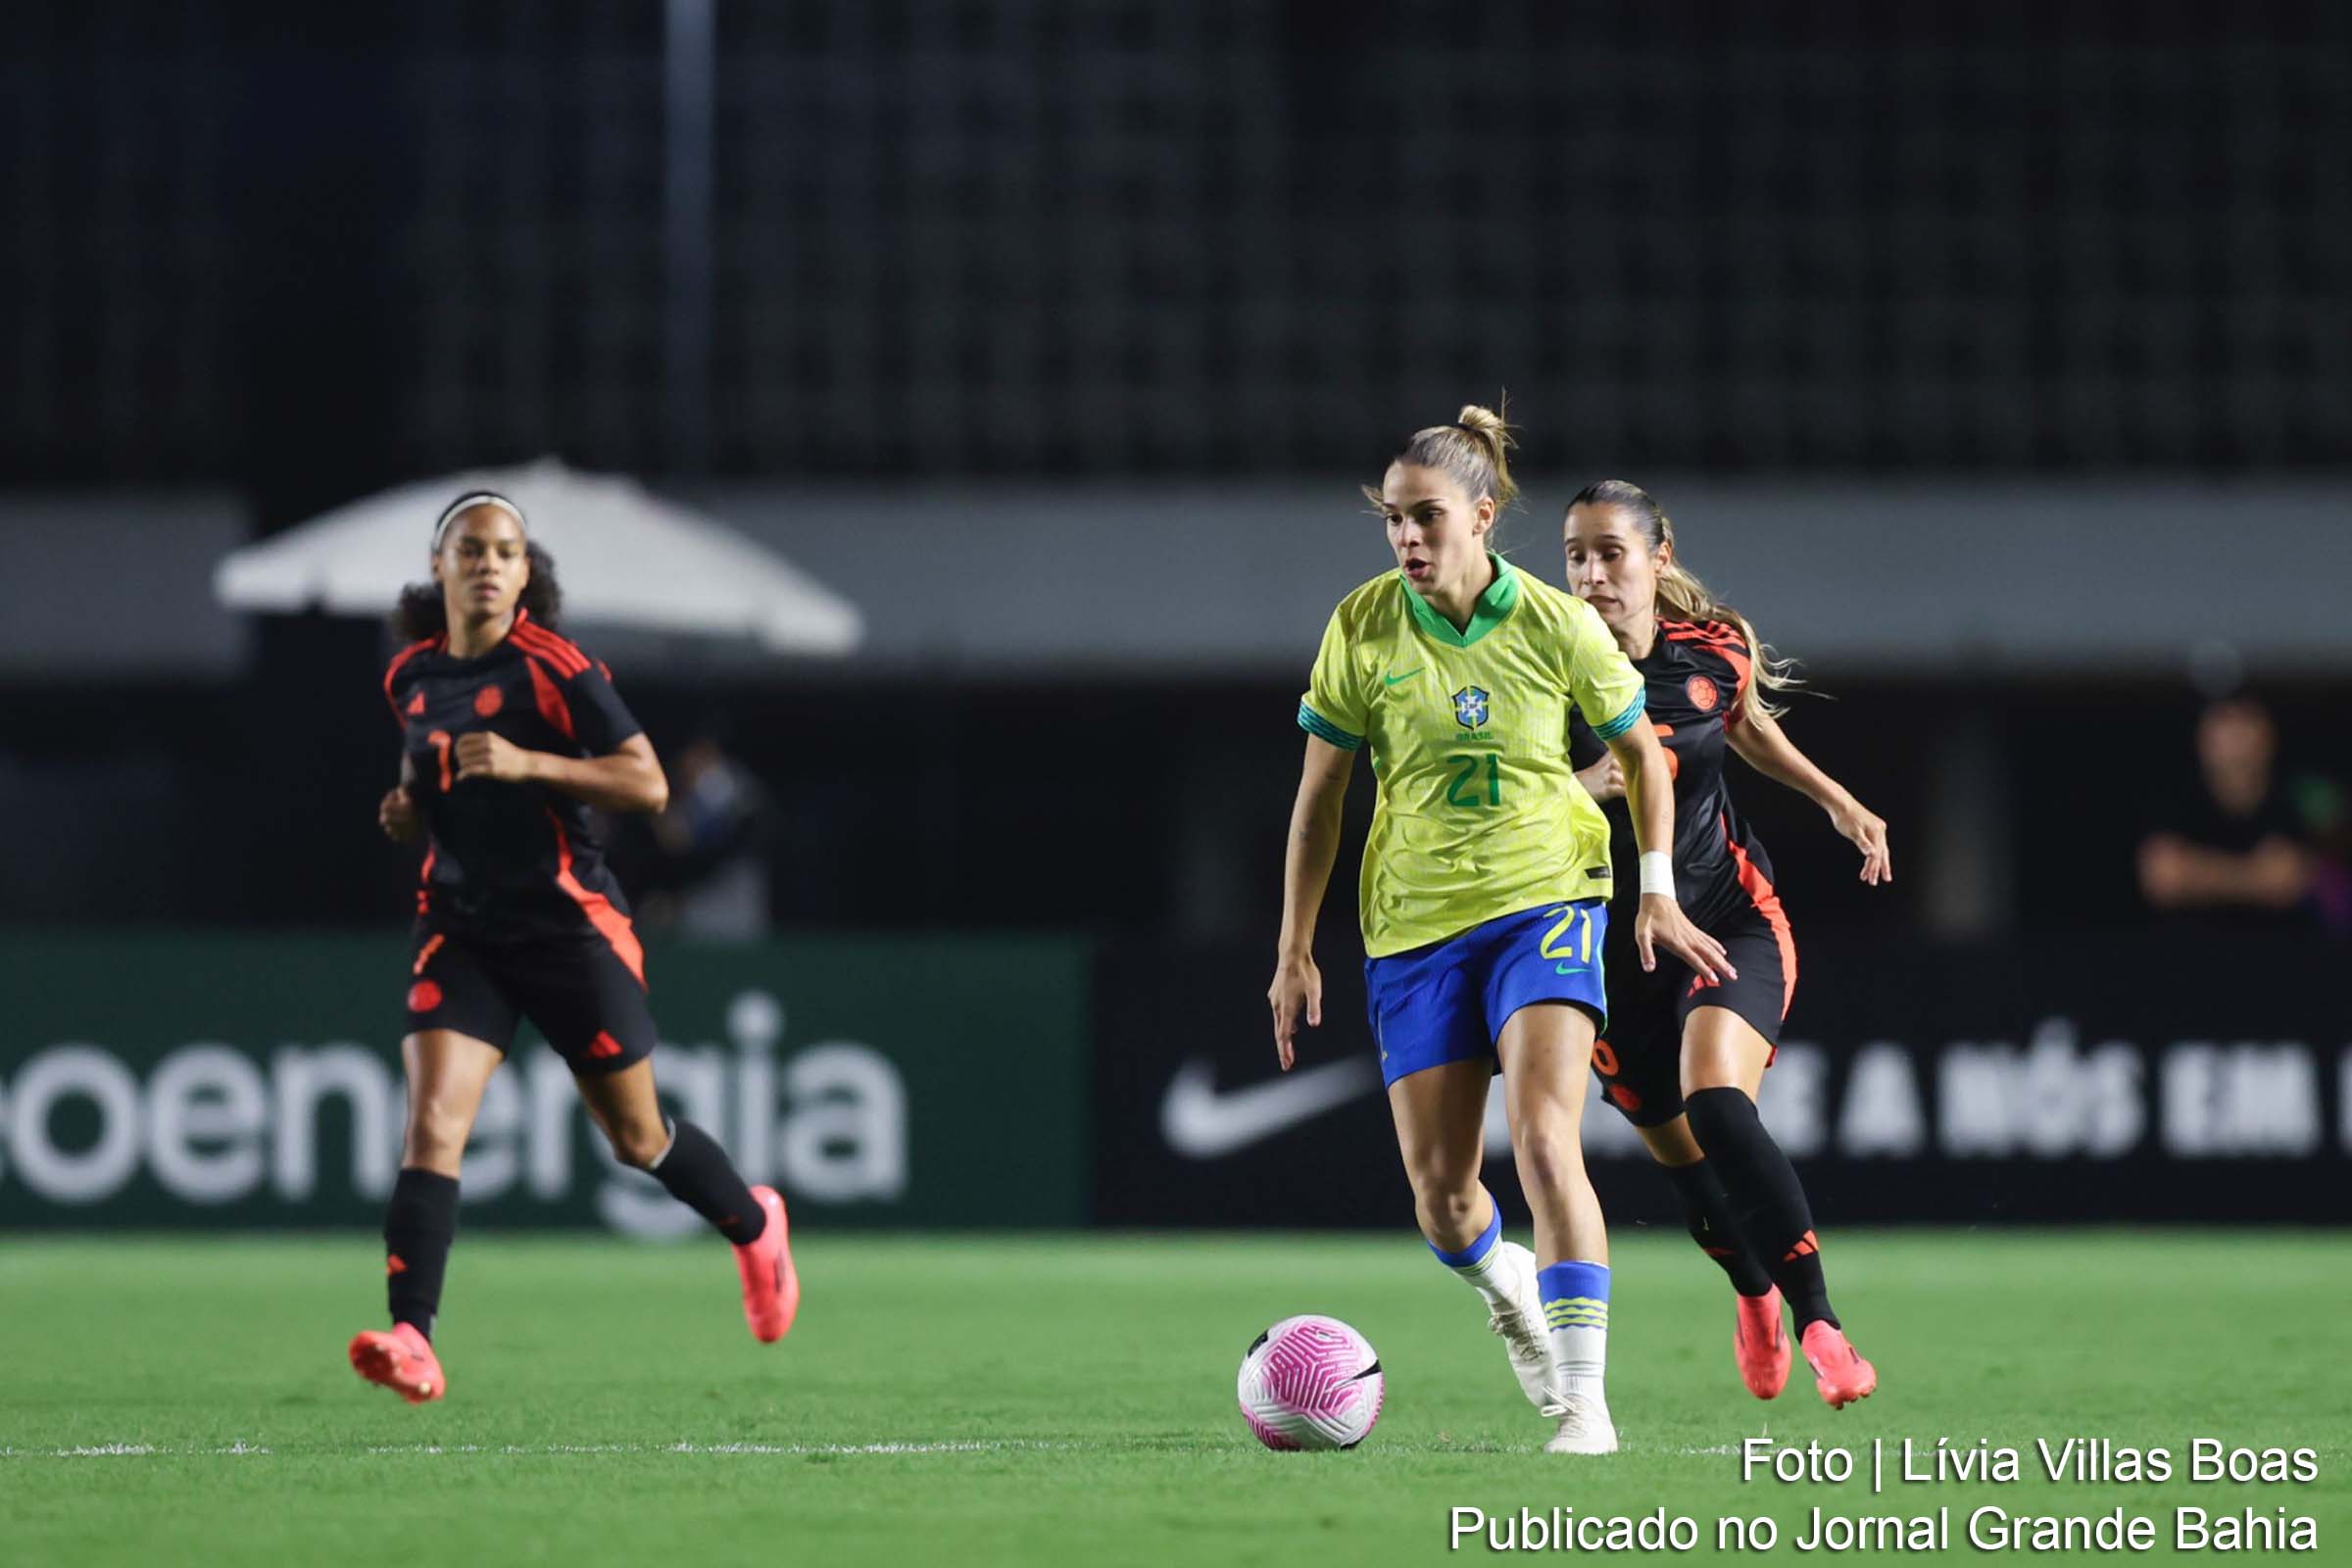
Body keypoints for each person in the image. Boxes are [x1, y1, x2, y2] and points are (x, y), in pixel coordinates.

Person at [1268, 410, 1728, 1454]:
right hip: (1416, 926)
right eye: (1393, 522)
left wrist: (1654, 886)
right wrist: (1295, 946)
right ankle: (1506, 1285)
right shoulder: (1365, 625)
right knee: (1442, 1199)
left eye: (1426, 517)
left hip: (1547, 901)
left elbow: (1646, 757)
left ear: (1482, 514)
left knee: (1545, 1136)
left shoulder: (1554, 627)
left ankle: (1585, 1400)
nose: (1407, 540)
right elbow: (1319, 795)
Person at [352, 492, 799, 1403]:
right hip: (462, 926)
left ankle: (755, 1225)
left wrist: (530, 763)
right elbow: (423, 762)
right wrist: (410, 807)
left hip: (567, 928)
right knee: (433, 1124)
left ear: (526, 576)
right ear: (437, 567)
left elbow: (648, 783)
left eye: (505, 552)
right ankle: (415, 1337)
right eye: (469, 549)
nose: (485, 563)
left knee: (637, 1138)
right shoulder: (410, 677)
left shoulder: (556, 668)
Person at [1561, 479, 1882, 1410]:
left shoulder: (1713, 646)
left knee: (1718, 1108)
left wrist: (1838, 800)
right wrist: (1585, 784)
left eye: (1611, 553)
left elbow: (1740, 724)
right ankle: (1752, 1294)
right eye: (1576, 554)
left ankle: (1821, 1322)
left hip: (1729, 919)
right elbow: (1542, 786)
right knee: (1685, 1163)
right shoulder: (1541, 668)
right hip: (1607, 956)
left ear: (1658, 557)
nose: (1591, 574)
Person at [2137, 696, 2314, 931]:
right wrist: (2254, 876)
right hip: (2188, 952)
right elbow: (2164, 878)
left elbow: (2287, 883)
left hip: (2279, 952)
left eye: (2244, 721)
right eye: (2224, 721)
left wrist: (2196, 871)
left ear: (2268, 734)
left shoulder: (2295, 800)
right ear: (2202, 736)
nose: (2235, 740)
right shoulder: (2174, 800)